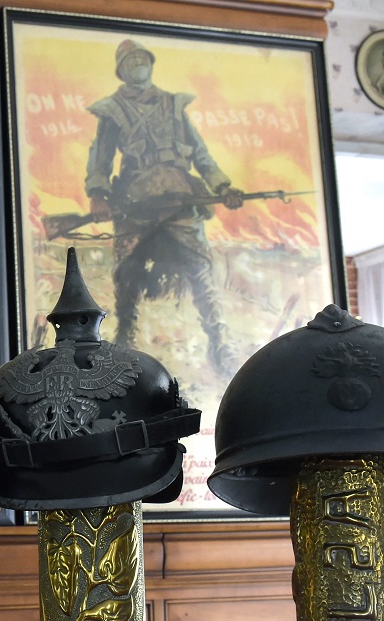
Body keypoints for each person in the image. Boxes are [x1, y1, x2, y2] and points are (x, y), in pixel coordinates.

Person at [84, 39, 243, 376]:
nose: (138, 63)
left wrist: (223, 186)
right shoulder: (112, 110)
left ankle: (219, 343)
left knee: (200, 270)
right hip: (136, 199)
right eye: (131, 59)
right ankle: (124, 340)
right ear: (121, 68)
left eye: (143, 58)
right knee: (126, 272)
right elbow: (100, 158)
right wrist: (98, 194)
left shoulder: (173, 105)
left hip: (179, 194)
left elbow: (201, 155)